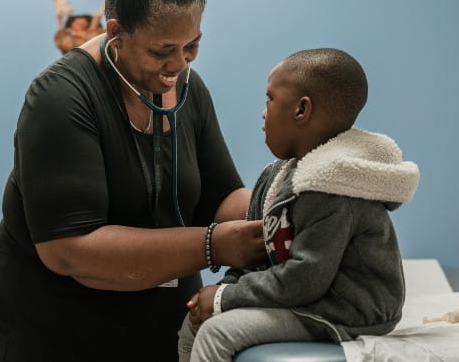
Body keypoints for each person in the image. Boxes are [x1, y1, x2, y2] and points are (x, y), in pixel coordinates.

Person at [0, 0, 267, 362]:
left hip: (153, 325)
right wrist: (213, 246)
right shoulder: (61, 98)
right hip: (53, 330)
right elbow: (71, 248)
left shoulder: (187, 87)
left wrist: (283, 206)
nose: (180, 64)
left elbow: (219, 197)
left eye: (192, 46)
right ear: (116, 33)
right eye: (163, 50)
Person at [177, 48, 421, 362]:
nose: (263, 112)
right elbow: (257, 257)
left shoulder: (333, 188)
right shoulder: (278, 178)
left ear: (301, 110)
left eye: (270, 99)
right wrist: (219, 294)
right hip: (307, 296)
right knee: (193, 325)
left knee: (216, 332)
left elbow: (305, 278)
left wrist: (225, 298)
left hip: (348, 309)